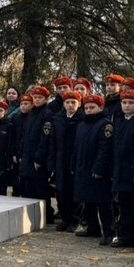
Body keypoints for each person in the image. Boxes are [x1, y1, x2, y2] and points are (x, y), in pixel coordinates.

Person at [71, 94, 114, 245]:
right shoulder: (82, 125)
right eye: (87, 107)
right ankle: (92, 227)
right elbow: (76, 148)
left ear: (101, 107)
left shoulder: (105, 125)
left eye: (92, 107)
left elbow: (105, 149)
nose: (88, 110)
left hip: (97, 171)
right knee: (87, 200)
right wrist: (73, 164)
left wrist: (99, 169)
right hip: (83, 167)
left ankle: (109, 232)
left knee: (103, 202)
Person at [110, 89, 134, 252]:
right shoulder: (119, 119)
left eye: (131, 102)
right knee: (124, 205)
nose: (126, 105)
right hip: (120, 170)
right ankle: (126, 236)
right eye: (124, 102)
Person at [16, 86, 54, 223]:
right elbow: (25, 135)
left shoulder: (47, 114)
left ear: (46, 99)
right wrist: (20, 152)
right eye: (35, 98)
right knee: (27, 188)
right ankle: (31, 217)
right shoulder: (32, 114)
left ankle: (45, 217)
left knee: (40, 189)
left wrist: (39, 158)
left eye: (40, 98)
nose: (37, 100)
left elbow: (45, 138)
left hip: (37, 159)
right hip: (26, 157)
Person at [50, 91, 82, 232]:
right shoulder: (57, 118)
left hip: (74, 160)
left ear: (79, 104)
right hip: (60, 159)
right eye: (67, 102)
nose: (70, 105)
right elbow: (52, 141)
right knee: (61, 191)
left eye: (73, 102)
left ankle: (75, 220)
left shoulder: (82, 119)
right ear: (63, 104)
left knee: (74, 192)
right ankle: (65, 218)